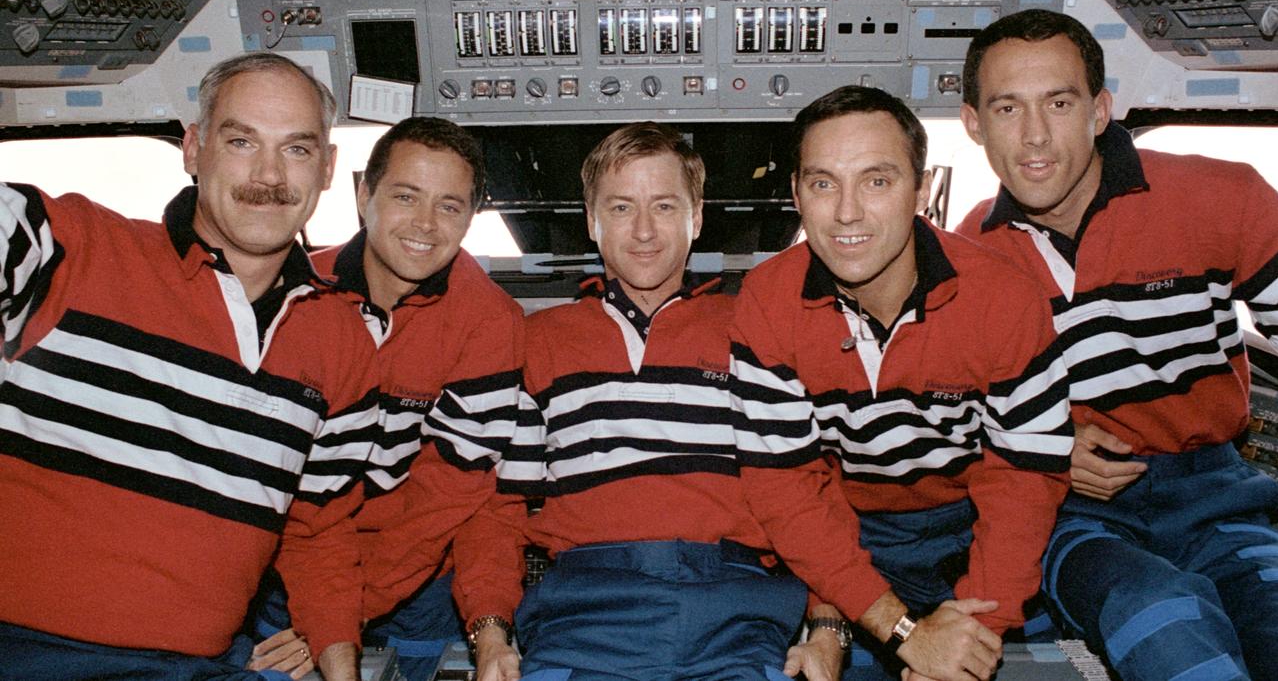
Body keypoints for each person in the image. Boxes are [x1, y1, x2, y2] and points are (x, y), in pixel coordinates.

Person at [0, 52, 380, 681]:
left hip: (199, 665)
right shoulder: (73, 249)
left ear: (327, 170)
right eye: (241, 141)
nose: (268, 175)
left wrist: (339, 661)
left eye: (297, 149)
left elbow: (320, 533)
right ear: (194, 149)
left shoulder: (342, 341)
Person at [956, 7, 1278, 681]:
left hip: (1217, 494)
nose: (1035, 136)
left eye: (1059, 103)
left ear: (1099, 112)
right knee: (1158, 618)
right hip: (1072, 513)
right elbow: (943, 414)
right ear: (973, 125)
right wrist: (1044, 448)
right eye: (1007, 109)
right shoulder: (965, 257)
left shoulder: (1221, 197)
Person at [469, 122, 847, 681]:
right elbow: (496, 509)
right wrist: (490, 631)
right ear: (592, 222)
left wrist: (828, 627)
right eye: (621, 208)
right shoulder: (537, 341)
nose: (643, 231)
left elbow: (815, 492)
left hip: (738, 612)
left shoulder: (757, 331)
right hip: (584, 615)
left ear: (696, 217)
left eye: (664, 207)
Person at [729, 85, 1074, 681]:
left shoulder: (1005, 298)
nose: (846, 213)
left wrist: (971, 639)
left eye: (878, 181)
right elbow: (789, 495)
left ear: (922, 190)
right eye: (822, 183)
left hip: (974, 530)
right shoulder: (766, 302)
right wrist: (905, 633)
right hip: (848, 541)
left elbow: (1024, 483)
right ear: (796, 195)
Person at [247, 117, 528, 681]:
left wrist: (338, 620)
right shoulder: (291, 298)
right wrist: (324, 617)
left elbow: (448, 498)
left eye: (449, 206)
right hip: (280, 569)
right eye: (406, 196)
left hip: (412, 580)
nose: (425, 224)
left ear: (470, 219)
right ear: (362, 195)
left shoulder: (488, 322)